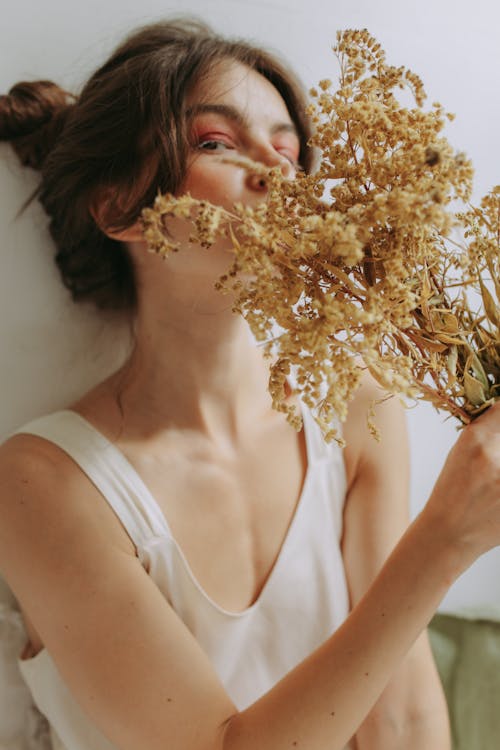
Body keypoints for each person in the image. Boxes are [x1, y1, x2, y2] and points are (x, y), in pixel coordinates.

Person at [0, 16, 499, 750]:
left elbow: (403, 716)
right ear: (119, 207)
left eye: (288, 148)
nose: (276, 170)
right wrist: (444, 544)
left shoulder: (356, 407)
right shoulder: (43, 483)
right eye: (216, 143)